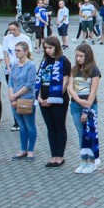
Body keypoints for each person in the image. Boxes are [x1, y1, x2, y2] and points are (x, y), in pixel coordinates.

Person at [36, 36, 71, 167]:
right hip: (43, 100)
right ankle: (53, 155)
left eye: (50, 48)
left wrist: (52, 99)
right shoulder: (44, 61)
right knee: (50, 128)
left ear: (56, 47)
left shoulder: (63, 61)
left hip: (58, 101)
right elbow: (39, 80)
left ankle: (60, 156)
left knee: (59, 127)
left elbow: (65, 83)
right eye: (46, 48)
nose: (48, 50)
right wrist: (39, 97)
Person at [68, 44, 101, 174]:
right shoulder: (74, 69)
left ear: (87, 56)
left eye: (81, 56)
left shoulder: (94, 70)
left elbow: (93, 92)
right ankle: (83, 160)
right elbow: (70, 87)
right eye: (77, 56)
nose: (78, 58)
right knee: (80, 133)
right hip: (76, 104)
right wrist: (77, 99)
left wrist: (86, 108)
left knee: (90, 133)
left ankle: (92, 162)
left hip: (89, 105)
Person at [7, 41, 37, 161]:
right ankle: (23, 148)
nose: (16, 52)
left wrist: (15, 96)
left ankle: (31, 150)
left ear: (25, 51)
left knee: (30, 125)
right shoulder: (14, 65)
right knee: (21, 126)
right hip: (14, 99)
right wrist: (11, 95)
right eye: (15, 50)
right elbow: (10, 82)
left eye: (19, 50)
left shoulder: (31, 65)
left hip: (26, 99)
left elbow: (29, 84)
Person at [2, 21, 31, 132]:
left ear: (18, 28)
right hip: (11, 70)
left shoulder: (25, 38)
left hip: (23, 69)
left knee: (22, 94)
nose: (12, 32)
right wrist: (9, 69)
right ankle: (16, 121)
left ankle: (24, 118)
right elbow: (6, 54)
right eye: (10, 30)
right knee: (12, 94)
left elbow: (29, 54)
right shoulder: (7, 39)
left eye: (14, 29)